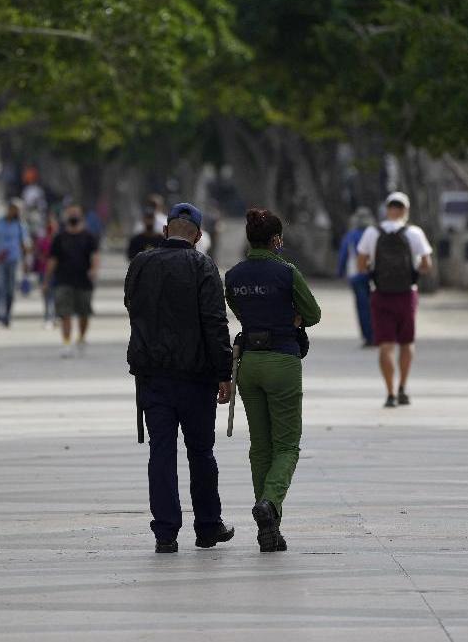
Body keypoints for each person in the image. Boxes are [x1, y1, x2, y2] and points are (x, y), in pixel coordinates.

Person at [124, 202, 235, 554]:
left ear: (165, 230)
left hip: (153, 377)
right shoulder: (202, 265)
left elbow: (132, 304)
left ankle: (166, 532)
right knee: (201, 451)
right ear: (199, 236)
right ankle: (207, 526)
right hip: (196, 377)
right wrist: (224, 373)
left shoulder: (141, 263)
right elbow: (216, 322)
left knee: (161, 452)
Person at [225, 208, 321, 553]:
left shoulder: (233, 276)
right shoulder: (287, 272)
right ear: (276, 239)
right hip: (282, 361)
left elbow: (238, 311)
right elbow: (313, 314)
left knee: (260, 447)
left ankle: (269, 529)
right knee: (287, 446)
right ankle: (269, 503)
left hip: (249, 363)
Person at [356, 192, 434, 408]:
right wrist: (414, 269)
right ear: (405, 211)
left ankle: (389, 393)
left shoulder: (372, 232)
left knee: (385, 345)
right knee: (407, 343)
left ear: (387, 209)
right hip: (407, 294)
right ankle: (403, 387)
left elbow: (361, 265)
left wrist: (375, 270)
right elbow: (427, 265)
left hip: (380, 295)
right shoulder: (414, 233)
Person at [44, 204, 99, 358]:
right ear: (66, 217)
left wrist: (94, 270)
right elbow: (52, 260)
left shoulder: (89, 236)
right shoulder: (59, 238)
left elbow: (95, 256)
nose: (73, 216)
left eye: (76, 213)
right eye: (70, 214)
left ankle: (81, 338)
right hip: (63, 281)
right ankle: (67, 343)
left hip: (83, 281)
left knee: (84, 314)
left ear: (81, 216)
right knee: (65, 314)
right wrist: (46, 281)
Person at [0, 200, 30, 328]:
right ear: (8, 209)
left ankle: (7, 316)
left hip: (13, 260)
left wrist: (26, 263)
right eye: (13, 209)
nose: (15, 212)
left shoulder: (20, 225)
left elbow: (25, 245)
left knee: (10, 289)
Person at [338, 207, 375, 347]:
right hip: (374, 274)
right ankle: (378, 334)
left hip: (356, 275)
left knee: (362, 307)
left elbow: (343, 255)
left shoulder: (351, 235)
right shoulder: (374, 234)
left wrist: (340, 272)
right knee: (375, 306)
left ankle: (368, 337)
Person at [33, 213, 59, 329]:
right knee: (47, 295)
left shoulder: (60, 240)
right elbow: (37, 254)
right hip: (44, 271)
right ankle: (48, 317)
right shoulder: (42, 240)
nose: (51, 227)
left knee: (54, 295)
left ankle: (53, 317)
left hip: (56, 271)